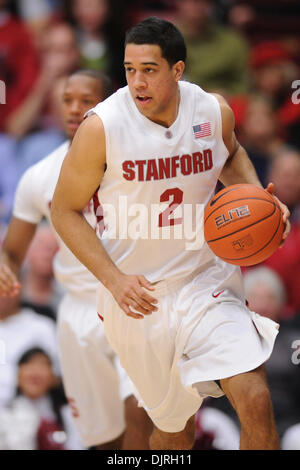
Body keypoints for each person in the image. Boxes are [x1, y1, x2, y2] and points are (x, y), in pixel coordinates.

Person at [51, 17, 290, 450]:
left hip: (206, 281)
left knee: (255, 400)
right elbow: (64, 211)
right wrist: (114, 279)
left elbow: (231, 153)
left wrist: (262, 203)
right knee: (175, 431)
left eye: (149, 69)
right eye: (129, 69)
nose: (137, 81)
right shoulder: (102, 127)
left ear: (177, 70)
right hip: (138, 298)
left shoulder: (212, 111)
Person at [0, 68, 152, 450]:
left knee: (140, 412)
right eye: (68, 100)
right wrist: (5, 264)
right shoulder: (39, 175)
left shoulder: (142, 161)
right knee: (103, 437)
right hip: (78, 312)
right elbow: (13, 251)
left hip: (136, 301)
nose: (74, 109)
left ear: (110, 103)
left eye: (86, 101)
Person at [0, 347, 83, 450]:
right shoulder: (4, 415)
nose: (35, 371)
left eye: (43, 364)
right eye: (29, 364)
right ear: (18, 376)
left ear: (54, 378)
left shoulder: (69, 413)